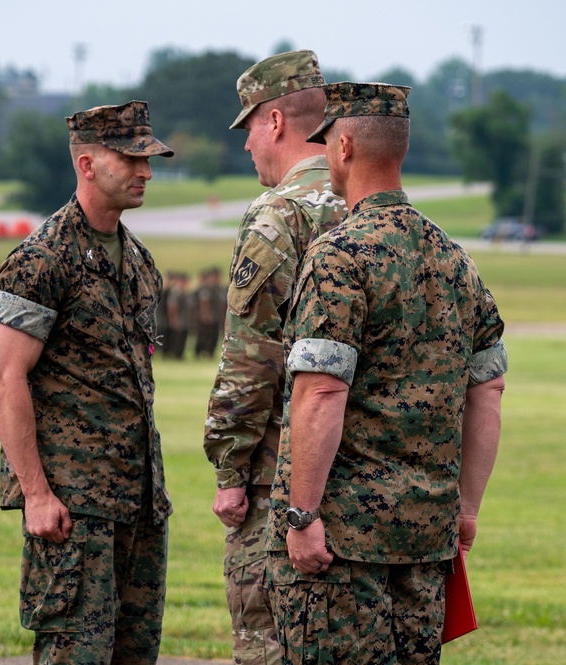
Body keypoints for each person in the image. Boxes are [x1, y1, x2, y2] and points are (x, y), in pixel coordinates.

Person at [265, 82, 508, 665]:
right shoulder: (454, 259)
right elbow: (489, 390)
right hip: (426, 538)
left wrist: (301, 516)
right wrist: (465, 513)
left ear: (344, 146)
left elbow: (321, 391)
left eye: (327, 145)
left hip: (344, 547)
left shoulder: (338, 257)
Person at [0, 100, 175, 665]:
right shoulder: (41, 261)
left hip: (138, 502)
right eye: (132, 158)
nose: (145, 171)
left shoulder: (139, 261)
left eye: (150, 159)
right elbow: (3, 379)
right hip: (75, 509)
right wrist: (37, 495)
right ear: (87, 164)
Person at [201, 49, 347, 665]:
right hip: (362, 476)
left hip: (279, 475)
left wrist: (231, 470)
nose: (246, 147)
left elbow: (250, 360)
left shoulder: (277, 215)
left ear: (277, 122)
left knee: (272, 644)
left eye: (249, 128)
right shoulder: (367, 206)